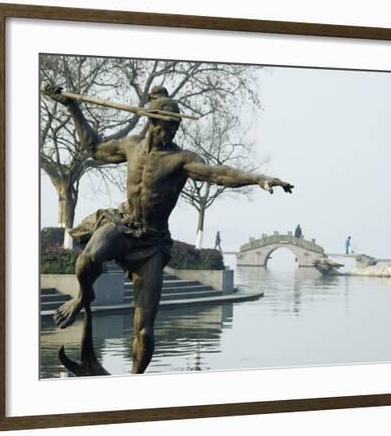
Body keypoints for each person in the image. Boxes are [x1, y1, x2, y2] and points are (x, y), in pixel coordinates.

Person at [44, 85, 294, 374]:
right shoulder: (131, 145)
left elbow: (220, 173)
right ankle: (83, 296)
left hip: (152, 243)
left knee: (145, 332)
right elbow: (94, 148)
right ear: (152, 121)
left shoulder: (181, 160)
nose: (172, 132)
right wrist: (72, 107)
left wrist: (257, 178)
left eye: (176, 127)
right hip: (124, 224)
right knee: (88, 258)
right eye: (167, 126)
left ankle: (133, 386)